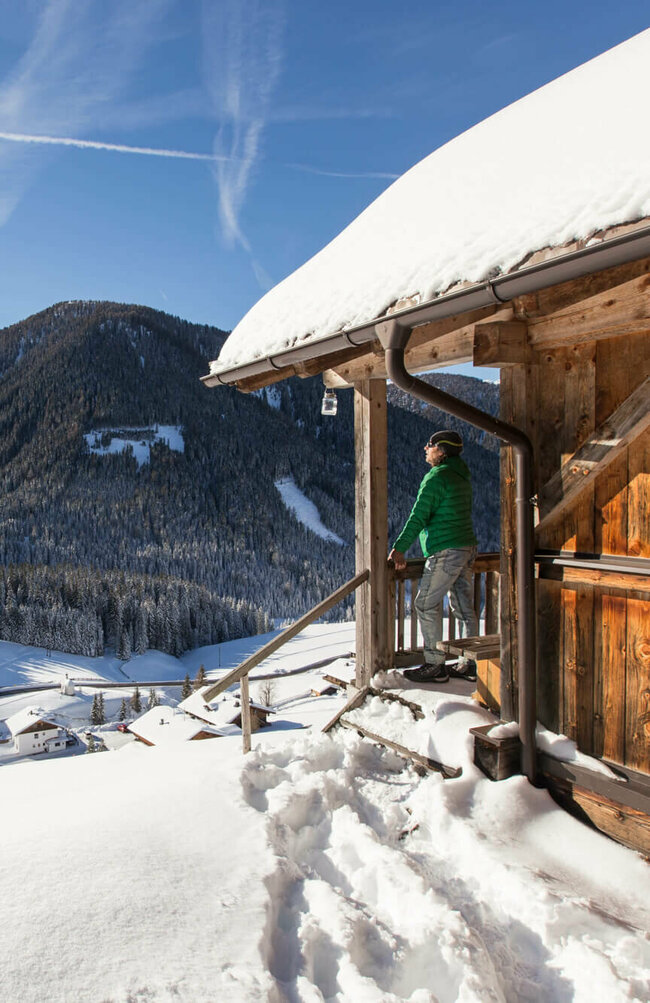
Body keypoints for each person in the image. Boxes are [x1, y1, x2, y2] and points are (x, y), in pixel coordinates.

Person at [388, 429, 478, 683]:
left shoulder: (437, 477)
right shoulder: (462, 476)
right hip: (467, 547)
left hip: (445, 549)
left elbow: (419, 516)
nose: (425, 449)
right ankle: (470, 664)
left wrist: (399, 547)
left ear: (442, 450)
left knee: (425, 604)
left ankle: (435, 664)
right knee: (463, 606)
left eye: (430, 445)